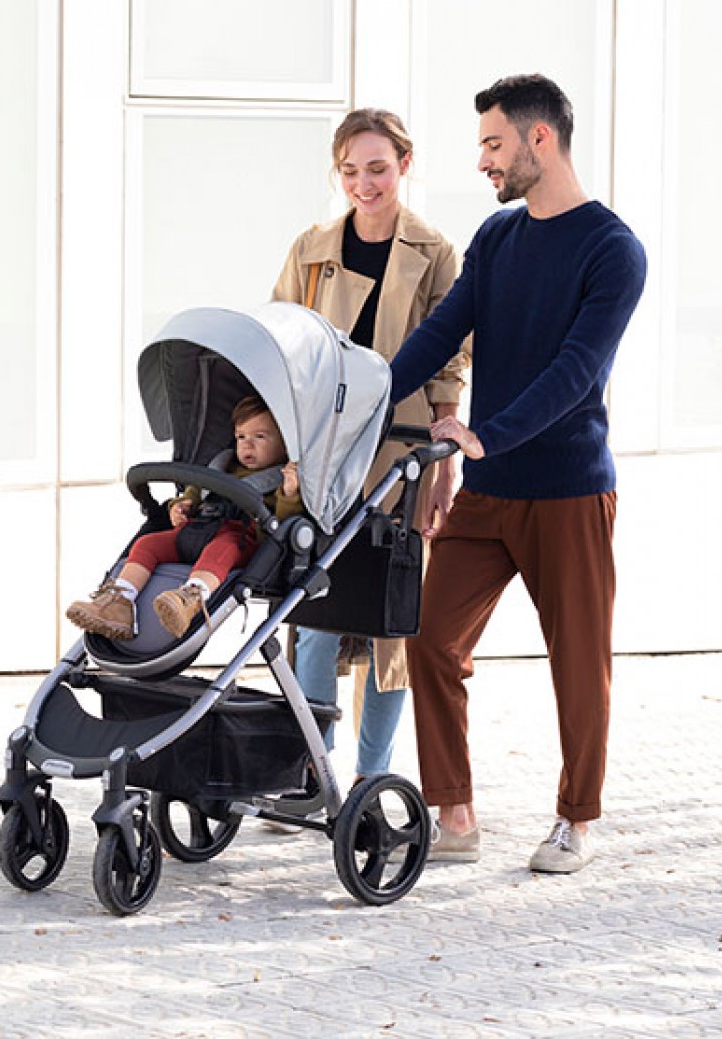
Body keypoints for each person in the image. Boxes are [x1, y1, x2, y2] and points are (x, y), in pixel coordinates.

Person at [388, 74, 647, 873]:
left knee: (579, 665)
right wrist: (365, 400)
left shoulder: (613, 249)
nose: (483, 162)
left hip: (568, 490)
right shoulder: (498, 238)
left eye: (493, 144)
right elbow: (441, 332)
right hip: (489, 490)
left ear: (541, 138)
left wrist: (485, 436)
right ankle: (456, 813)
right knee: (430, 638)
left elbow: (576, 371)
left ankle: (575, 821)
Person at [271, 108, 469, 784]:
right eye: (350, 170)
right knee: (314, 612)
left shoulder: (436, 252)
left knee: (392, 625)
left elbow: (451, 365)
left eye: (378, 169)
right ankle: (313, 771)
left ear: (405, 165)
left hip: (404, 455)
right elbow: (282, 343)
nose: (364, 184)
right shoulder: (312, 250)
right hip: (324, 453)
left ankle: (371, 779)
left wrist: (442, 472)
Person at [67, 396, 303, 641]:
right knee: (148, 543)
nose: (247, 445)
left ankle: (189, 599)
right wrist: (179, 507)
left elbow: (282, 527)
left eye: (260, 437)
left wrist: (289, 494)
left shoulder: (281, 480)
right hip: (196, 530)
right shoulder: (221, 466)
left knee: (222, 548)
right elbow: (194, 493)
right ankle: (119, 602)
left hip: (239, 539)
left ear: (286, 444)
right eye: (241, 436)